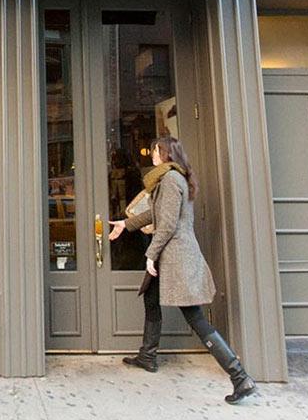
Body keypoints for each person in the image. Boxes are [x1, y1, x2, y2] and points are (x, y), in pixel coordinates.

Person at [109, 135, 257, 404]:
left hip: (176, 256)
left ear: (166, 153)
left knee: (195, 317)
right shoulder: (172, 178)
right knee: (151, 300)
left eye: (156, 150)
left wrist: (150, 255)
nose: (152, 155)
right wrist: (125, 224)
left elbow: (165, 225)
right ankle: (148, 355)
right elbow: (156, 214)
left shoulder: (169, 180)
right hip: (173, 254)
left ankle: (239, 376)